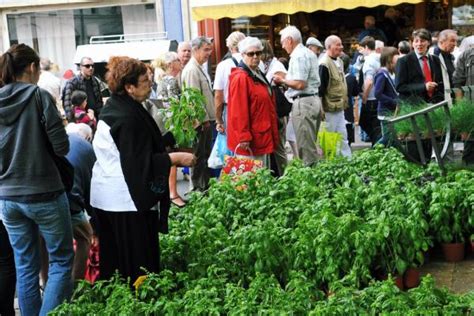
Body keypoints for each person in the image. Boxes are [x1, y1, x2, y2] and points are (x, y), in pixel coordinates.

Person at [90, 56, 195, 283]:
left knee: (116, 262)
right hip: (125, 199)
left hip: (108, 196)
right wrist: (175, 158)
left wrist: (167, 140)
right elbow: (138, 163)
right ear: (129, 87)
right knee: (136, 264)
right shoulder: (127, 117)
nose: (150, 85)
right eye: (146, 81)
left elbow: (136, 148)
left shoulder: (119, 107)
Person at [0, 43, 73, 316]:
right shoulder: (38, 96)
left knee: (24, 265)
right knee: (62, 260)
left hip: (7, 198)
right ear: (31, 67)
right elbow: (62, 148)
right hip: (45, 192)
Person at [40, 123, 96, 283]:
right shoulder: (86, 147)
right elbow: (91, 190)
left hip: (34, 199)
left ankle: (44, 282)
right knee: (85, 236)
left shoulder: (50, 141)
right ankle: (74, 287)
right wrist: (95, 221)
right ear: (87, 137)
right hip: (66, 202)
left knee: (41, 239)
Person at [273, 25, 322, 166]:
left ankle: (310, 182)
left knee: (305, 148)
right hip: (311, 100)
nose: (282, 46)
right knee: (309, 144)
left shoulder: (298, 56)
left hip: (304, 102)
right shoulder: (307, 53)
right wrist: (287, 77)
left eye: (282, 42)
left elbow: (300, 84)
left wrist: (282, 80)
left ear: (289, 40)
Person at [227, 37, 279, 166]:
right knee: (251, 180)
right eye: (251, 54)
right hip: (251, 140)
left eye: (258, 53)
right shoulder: (241, 78)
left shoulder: (256, 72)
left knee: (261, 177)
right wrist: (243, 137)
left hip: (261, 134)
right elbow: (238, 112)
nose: (255, 56)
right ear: (243, 55)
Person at [149, 52, 186, 208]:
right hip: (170, 125)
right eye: (178, 60)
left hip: (165, 124)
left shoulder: (163, 80)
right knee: (172, 158)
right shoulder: (170, 80)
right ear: (171, 64)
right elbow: (174, 104)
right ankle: (173, 193)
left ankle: (171, 192)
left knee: (169, 157)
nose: (181, 62)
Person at [181, 36, 215, 192]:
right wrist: (202, 121)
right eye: (206, 49)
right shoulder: (191, 69)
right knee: (199, 158)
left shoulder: (198, 67)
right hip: (200, 124)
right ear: (196, 50)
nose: (209, 53)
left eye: (210, 49)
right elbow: (193, 99)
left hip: (205, 122)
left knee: (204, 157)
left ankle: (203, 188)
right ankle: (198, 190)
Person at [319, 35, 352, 158]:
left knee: (343, 136)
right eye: (338, 44)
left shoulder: (340, 61)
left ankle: (347, 161)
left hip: (339, 107)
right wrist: (321, 109)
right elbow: (320, 90)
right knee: (330, 138)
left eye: (341, 44)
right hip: (329, 109)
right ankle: (330, 163)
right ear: (329, 47)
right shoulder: (324, 64)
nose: (341, 47)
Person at [261, 39, 289, 175]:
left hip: (278, 111)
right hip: (270, 111)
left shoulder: (276, 66)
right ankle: (276, 173)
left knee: (279, 145)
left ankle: (284, 174)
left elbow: (285, 84)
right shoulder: (264, 66)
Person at [396, 28, 444, 104]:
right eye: (416, 41)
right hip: (413, 107)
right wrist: (424, 87)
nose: (419, 44)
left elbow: (439, 82)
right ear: (412, 44)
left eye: (422, 41)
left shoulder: (435, 59)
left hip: (434, 104)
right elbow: (400, 87)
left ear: (428, 42)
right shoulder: (404, 61)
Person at [214, 31, 246, 134]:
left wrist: (218, 119)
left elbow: (218, 95)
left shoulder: (223, 65)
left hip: (231, 109)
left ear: (230, 47)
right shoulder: (259, 63)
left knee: (233, 143)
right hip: (252, 108)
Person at [374, 47, 400, 146]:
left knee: (392, 138)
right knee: (387, 137)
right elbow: (378, 94)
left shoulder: (390, 73)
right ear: (389, 60)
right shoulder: (382, 74)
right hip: (385, 112)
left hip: (392, 112)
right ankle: (372, 152)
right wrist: (393, 102)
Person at [359, 36, 382, 145]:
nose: (361, 52)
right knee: (377, 126)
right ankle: (378, 145)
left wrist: (364, 96)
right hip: (380, 96)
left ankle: (377, 146)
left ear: (366, 47)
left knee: (366, 123)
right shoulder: (381, 58)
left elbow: (369, 81)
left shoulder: (368, 61)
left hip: (371, 98)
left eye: (362, 49)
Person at [434, 29, 458, 105]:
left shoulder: (451, 56)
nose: (455, 44)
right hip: (438, 101)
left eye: (455, 41)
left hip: (452, 97)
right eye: (452, 41)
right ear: (441, 41)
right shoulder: (433, 56)